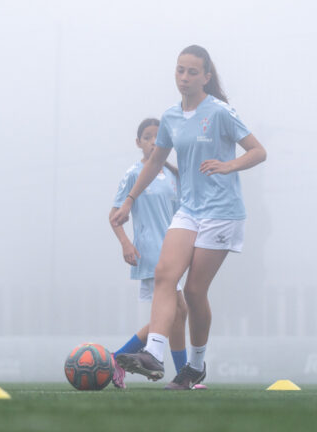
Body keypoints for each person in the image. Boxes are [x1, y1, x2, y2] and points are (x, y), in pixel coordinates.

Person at [111, 45, 267, 390]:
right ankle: (153, 354)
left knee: (195, 292)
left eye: (192, 72)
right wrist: (129, 201)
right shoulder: (169, 117)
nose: (184, 77)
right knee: (166, 275)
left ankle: (195, 367)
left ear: (206, 77)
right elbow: (154, 162)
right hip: (189, 210)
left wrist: (229, 165)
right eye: (180, 70)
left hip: (222, 213)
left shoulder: (221, 112)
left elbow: (258, 151)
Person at [109, 118, 189, 389]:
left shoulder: (174, 176)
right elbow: (114, 215)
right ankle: (120, 360)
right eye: (147, 137)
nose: (154, 141)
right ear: (138, 143)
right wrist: (126, 244)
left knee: (176, 314)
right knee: (174, 313)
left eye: (159, 136)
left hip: (174, 253)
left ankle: (180, 376)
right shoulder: (134, 173)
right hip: (152, 254)